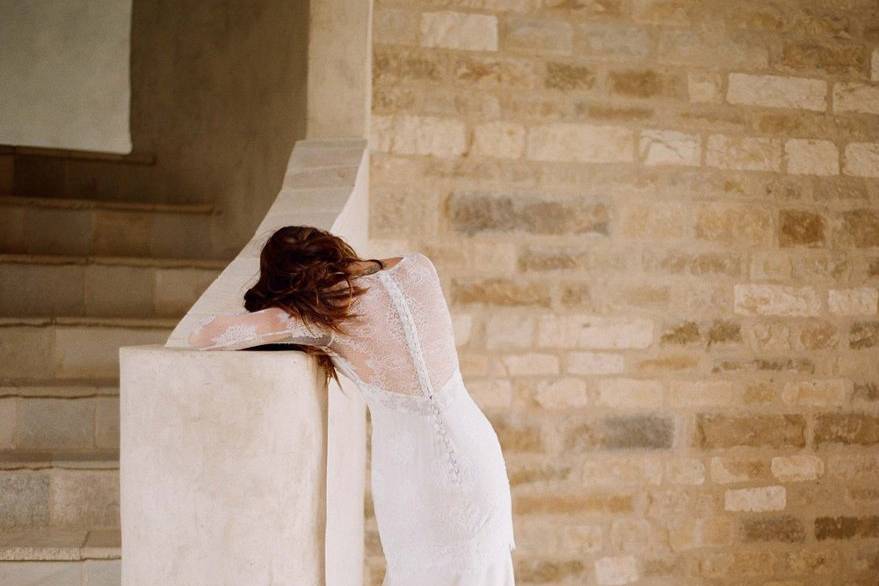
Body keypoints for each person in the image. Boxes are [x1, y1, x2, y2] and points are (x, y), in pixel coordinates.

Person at [188, 225, 516, 585]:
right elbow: (377, 274)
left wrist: (289, 307)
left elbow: (205, 335)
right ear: (334, 249)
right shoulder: (418, 267)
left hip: (415, 473)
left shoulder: (322, 315)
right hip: (476, 449)